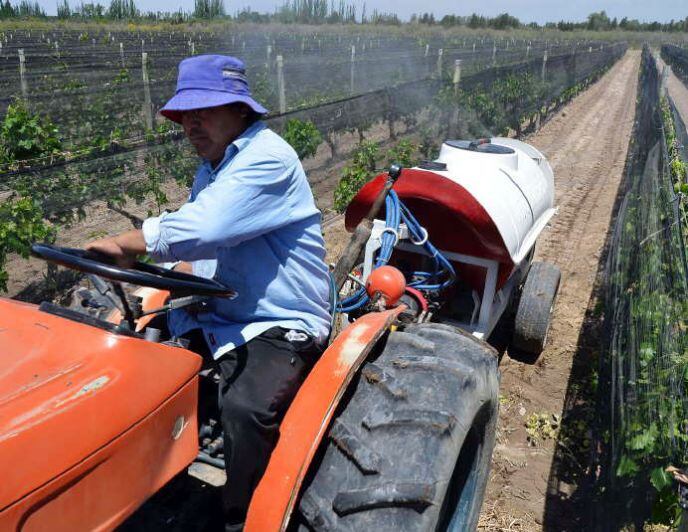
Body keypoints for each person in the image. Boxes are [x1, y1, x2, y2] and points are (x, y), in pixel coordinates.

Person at [86, 55, 331, 530]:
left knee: (245, 409)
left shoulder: (268, 157)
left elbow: (208, 225)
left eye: (204, 111)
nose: (191, 124)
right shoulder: (213, 167)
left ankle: (242, 517)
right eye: (184, 115)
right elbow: (202, 243)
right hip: (217, 309)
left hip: (275, 319)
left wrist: (125, 244)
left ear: (241, 110)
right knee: (134, 366)